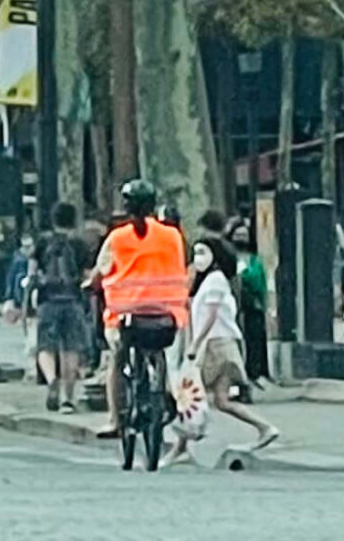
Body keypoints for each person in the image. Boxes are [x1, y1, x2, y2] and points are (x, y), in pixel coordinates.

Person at [92, 178, 191, 439]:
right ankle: (165, 392)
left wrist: (91, 284)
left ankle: (114, 419)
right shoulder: (172, 236)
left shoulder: (118, 238)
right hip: (169, 315)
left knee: (117, 360)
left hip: (126, 317)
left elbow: (101, 272)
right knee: (165, 355)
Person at [189, 236, 279, 452]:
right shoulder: (212, 280)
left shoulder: (215, 280)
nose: (197, 259)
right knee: (221, 399)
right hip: (220, 343)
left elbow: (210, 315)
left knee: (189, 389)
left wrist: (195, 343)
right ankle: (265, 427)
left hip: (216, 344)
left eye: (203, 253)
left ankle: (190, 434)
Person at [31, 201, 93, 412]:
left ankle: (51, 380)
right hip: (73, 301)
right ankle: (68, 398)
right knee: (71, 349)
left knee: (45, 347)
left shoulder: (42, 243)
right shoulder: (79, 245)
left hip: (48, 301)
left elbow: (32, 274)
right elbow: (87, 276)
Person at [228, 216, 270, 386]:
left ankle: (253, 373)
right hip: (233, 307)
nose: (241, 239)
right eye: (238, 235)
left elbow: (260, 283)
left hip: (252, 307)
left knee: (253, 340)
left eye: (244, 235)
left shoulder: (254, 260)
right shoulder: (228, 257)